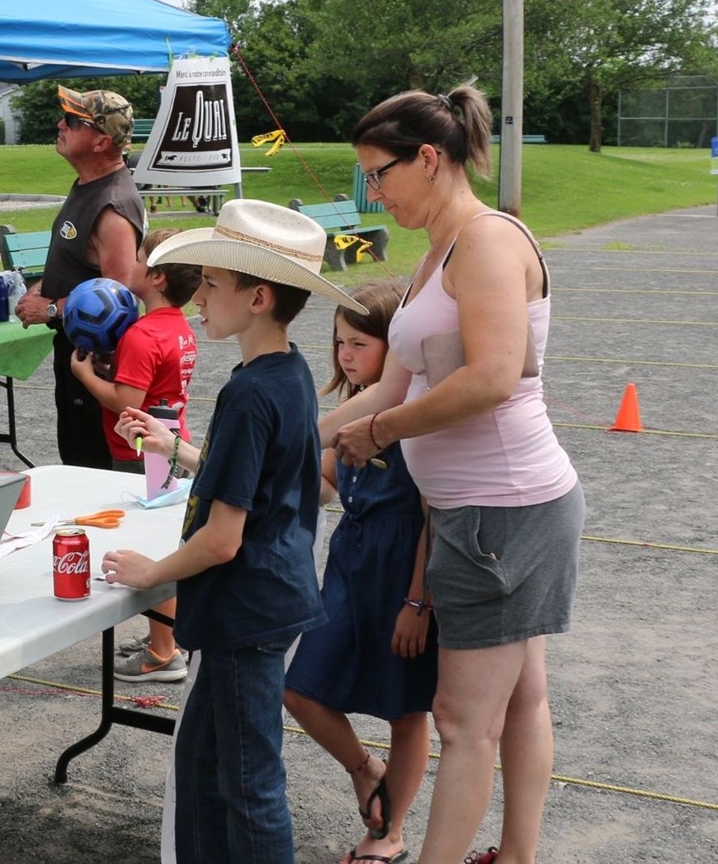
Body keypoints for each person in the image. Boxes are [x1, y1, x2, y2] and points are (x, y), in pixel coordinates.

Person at [323, 85, 584, 864]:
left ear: (429, 158)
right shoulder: (436, 251)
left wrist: (380, 434)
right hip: (482, 509)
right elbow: (391, 383)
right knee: (523, 695)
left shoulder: (488, 242)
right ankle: (516, 856)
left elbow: (493, 377)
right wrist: (293, 433)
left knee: (463, 720)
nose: (374, 191)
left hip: (501, 510)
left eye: (380, 174)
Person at [101, 199, 369, 863]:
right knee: (202, 764)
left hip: (244, 612)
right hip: (261, 604)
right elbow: (263, 481)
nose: (199, 298)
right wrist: (180, 448)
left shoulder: (250, 394)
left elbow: (223, 538)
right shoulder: (286, 373)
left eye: (212, 285)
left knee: (247, 782)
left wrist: (151, 575)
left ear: (257, 297)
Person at [283, 280, 436, 864]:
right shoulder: (350, 411)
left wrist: (418, 602)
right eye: (339, 342)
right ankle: (365, 770)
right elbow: (322, 483)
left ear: (395, 350)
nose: (345, 355)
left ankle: (387, 832)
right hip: (351, 559)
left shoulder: (413, 414)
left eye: (360, 343)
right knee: (301, 691)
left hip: (403, 568)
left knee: (405, 708)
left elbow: (432, 516)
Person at [67, 227, 198, 683]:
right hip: (168, 445)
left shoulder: (142, 334)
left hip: (141, 450)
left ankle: (164, 654)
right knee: (161, 540)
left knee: (149, 549)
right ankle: (166, 638)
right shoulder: (177, 327)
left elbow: (127, 401)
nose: (133, 266)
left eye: (141, 259)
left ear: (158, 277)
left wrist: (85, 374)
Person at [15, 86, 146, 468]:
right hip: (76, 357)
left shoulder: (113, 207)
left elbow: (118, 301)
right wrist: (45, 287)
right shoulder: (92, 185)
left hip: (94, 365)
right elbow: (82, 265)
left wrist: (52, 309)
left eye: (73, 121)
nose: (61, 124)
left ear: (102, 141)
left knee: (90, 469)